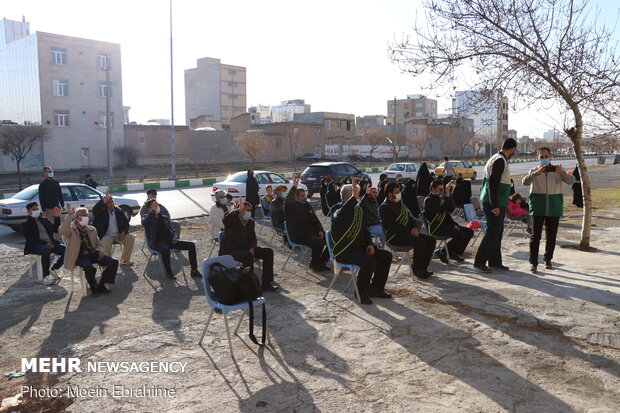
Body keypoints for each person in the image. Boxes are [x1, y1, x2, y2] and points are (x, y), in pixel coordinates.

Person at [330, 181, 392, 305]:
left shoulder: (357, 210)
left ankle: (376, 289)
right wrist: (354, 198)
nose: (358, 198)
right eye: (356, 195)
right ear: (349, 197)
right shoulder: (338, 208)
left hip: (359, 249)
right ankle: (360, 292)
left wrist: (369, 244)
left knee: (386, 256)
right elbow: (340, 216)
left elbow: (365, 230)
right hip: (345, 251)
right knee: (369, 262)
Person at [522, 147, 575, 273]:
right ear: (537, 158)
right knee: (535, 236)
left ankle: (548, 259)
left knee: (551, 236)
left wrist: (560, 172)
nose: (544, 159)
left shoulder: (558, 170)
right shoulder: (534, 170)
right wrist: (537, 173)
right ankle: (533, 263)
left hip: (554, 207)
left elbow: (571, 181)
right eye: (541, 157)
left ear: (550, 156)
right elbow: (525, 182)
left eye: (546, 156)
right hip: (538, 207)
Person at [473, 138, 518, 273]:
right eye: (514, 151)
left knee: (497, 233)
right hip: (494, 202)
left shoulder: (499, 158)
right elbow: (493, 184)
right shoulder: (499, 160)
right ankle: (479, 262)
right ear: (512, 149)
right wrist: (495, 205)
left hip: (499, 202)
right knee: (492, 232)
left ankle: (495, 261)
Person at [219, 200, 280, 292]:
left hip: (246, 249)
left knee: (268, 252)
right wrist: (237, 211)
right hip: (232, 250)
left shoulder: (250, 222)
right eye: (246, 210)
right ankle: (249, 285)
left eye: (250, 210)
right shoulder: (233, 219)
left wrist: (252, 248)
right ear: (241, 210)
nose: (249, 212)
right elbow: (225, 221)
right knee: (247, 255)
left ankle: (267, 282)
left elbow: (253, 239)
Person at [379, 182, 436, 279]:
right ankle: (417, 270)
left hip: (407, 234)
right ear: (390, 194)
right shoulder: (384, 207)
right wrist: (410, 231)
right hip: (395, 237)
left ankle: (423, 268)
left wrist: (414, 227)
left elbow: (410, 218)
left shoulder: (399, 203)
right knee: (420, 242)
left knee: (431, 240)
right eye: (397, 192)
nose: (399, 193)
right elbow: (393, 226)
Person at [59, 204, 118, 296]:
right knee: (89, 267)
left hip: (92, 254)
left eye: (87, 215)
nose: (86, 217)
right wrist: (69, 215)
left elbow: (98, 243)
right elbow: (63, 230)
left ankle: (101, 286)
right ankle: (94, 288)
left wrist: (100, 252)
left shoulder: (92, 229)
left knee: (113, 262)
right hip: (78, 256)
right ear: (78, 218)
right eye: (84, 215)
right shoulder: (71, 229)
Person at [142, 198, 202, 279]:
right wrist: (153, 212)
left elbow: (172, 229)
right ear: (149, 208)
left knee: (191, 245)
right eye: (155, 205)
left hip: (171, 241)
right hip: (158, 243)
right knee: (165, 250)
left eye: (157, 205)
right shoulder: (147, 218)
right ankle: (169, 272)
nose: (157, 207)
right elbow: (144, 223)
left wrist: (175, 236)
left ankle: (194, 271)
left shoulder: (164, 217)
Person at [285, 177, 330, 272]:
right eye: (302, 196)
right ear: (296, 197)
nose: (304, 197)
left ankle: (322, 261)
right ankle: (313, 263)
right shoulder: (291, 207)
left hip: (310, 233)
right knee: (318, 242)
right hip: (299, 235)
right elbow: (287, 201)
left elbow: (315, 219)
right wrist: (294, 187)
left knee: (331, 238)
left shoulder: (307, 205)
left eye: (304, 195)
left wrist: (320, 230)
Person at [423, 179, 473, 263]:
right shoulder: (429, 200)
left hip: (445, 225)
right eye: (440, 189)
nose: (442, 191)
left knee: (469, 232)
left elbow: (449, 210)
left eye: (443, 189)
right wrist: (446, 196)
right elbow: (441, 210)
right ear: (432, 189)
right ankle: (443, 251)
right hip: (436, 227)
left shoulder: (439, 197)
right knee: (460, 235)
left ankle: (455, 253)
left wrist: (449, 195)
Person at [22, 202, 65, 285]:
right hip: (35, 245)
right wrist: (45, 243)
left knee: (67, 250)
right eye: (34, 209)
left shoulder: (44, 220)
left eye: (37, 209)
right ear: (29, 211)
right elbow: (31, 239)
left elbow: (55, 229)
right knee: (45, 250)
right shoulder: (26, 224)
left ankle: (54, 269)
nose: (36, 211)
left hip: (50, 243)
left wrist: (57, 217)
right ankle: (46, 276)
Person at [93, 190, 135, 266]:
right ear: (105, 203)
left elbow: (126, 224)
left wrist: (123, 232)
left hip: (118, 235)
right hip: (106, 235)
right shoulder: (101, 212)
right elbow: (95, 210)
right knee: (105, 241)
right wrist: (103, 201)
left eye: (112, 202)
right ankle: (107, 261)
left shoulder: (118, 210)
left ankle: (125, 260)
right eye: (108, 202)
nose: (111, 204)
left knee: (131, 238)